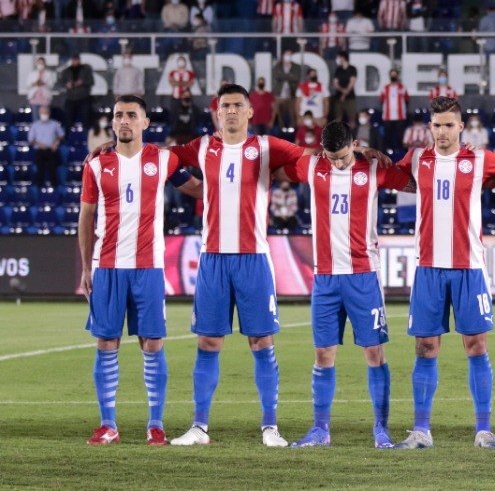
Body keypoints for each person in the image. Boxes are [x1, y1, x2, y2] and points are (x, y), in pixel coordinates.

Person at [164, 84, 380, 447]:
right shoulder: (202, 147)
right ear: (217, 112)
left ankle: (270, 427)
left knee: (261, 340)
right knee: (207, 341)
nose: (230, 111)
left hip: (254, 259)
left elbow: (313, 156)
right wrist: (193, 187)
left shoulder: (266, 147)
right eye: (225, 106)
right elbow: (163, 162)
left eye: (237, 106)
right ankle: (199, 427)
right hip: (212, 258)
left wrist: (357, 150)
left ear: (250, 112)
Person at [283, 122, 415, 449]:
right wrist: (313, 154)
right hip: (325, 277)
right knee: (323, 353)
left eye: (342, 157)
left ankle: (381, 430)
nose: (337, 163)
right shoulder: (313, 165)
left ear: (354, 145)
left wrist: (383, 156)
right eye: (332, 157)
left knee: (374, 352)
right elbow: (278, 165)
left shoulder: (372, 170)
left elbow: (415, 183)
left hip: (363, 276)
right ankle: (320, 429)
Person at [78, 95, 201, 446]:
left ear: (146, 122)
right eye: (119, 115)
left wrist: (234, 190)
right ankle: (108, 424)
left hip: (149, 266)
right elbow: (86, 217)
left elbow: (196, 188)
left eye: (132, 115)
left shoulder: (163, 160)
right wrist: (87, 268)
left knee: (153, 342)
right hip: (108, 266)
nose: (124, 121)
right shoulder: (97, 165)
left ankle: (156, 424)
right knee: (106, 341)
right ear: (112, 123)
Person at [394, 97, 495, 449]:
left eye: (449, 125)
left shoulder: (479, 159)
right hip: (428, 267)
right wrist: (367, 153)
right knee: (425, 346)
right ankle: (421, 431)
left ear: (461, 127)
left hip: (469, 267)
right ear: (429, 128)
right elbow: (386, 172)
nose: (442, 131)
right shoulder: (417, 159)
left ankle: (484, 430)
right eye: (437, 125)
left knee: (476, 345)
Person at [30, 105, 66, 187]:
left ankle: (54, 189)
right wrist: (39, 144)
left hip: (51, 150)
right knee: (40, 170)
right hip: (40, 150)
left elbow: (61, 135)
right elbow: (31, 139)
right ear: (39, 113)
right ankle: (40, 189)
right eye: (42, 113)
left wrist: (56, 142)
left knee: (53, 169)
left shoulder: (54, 124)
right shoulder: (35, 125)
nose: (44, 114)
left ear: (49, 113)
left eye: (45, 112)